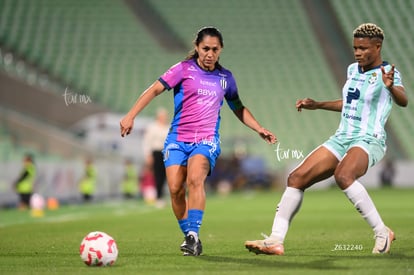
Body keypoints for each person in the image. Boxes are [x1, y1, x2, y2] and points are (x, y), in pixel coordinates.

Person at [245, 23, 407, 255]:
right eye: (355, 48)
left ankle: (382, 232)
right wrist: (318, 104)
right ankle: (275, 240)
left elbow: (403, 101)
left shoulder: (387, 73)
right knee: (296, 178)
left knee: (343, 175)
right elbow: (349, 104)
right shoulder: (353, 70)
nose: (358, 53)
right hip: (342, 137)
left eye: (363, 48)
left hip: (369, 138)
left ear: (378, 46)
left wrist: (391, 87)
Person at [120, 26, 277, 256]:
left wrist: (258, 128)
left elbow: (238, 107)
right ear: (196, 47)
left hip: (206, 140)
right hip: (177, 139)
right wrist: (130, 115)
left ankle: (193, 235)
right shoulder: (182, 70)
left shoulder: (226, 78)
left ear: (221, 49)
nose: (209, 54)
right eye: (205, 49)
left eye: (214, 49)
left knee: (195, 180)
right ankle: (190, 238)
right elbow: (155, 90)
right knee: (175, 190)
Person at [142, 107, 170, 207]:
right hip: (157, 152)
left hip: (167, 152)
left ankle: (170, 196)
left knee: (169, 175)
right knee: (159, 176)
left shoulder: (168, 127)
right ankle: (159, 197)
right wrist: (148, 155)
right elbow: (147, 142)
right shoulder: (152, 127)